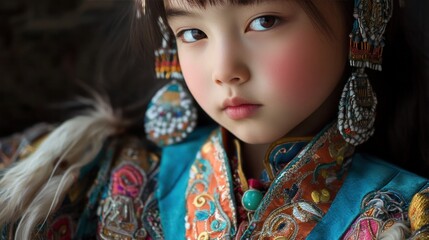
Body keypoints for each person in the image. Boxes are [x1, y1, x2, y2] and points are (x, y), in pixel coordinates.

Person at [1, 0, 428, 239]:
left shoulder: (404, 218)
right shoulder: (107, 180)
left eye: (263, 22)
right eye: (193, 34)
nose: (225, 69)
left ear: (362, 19)